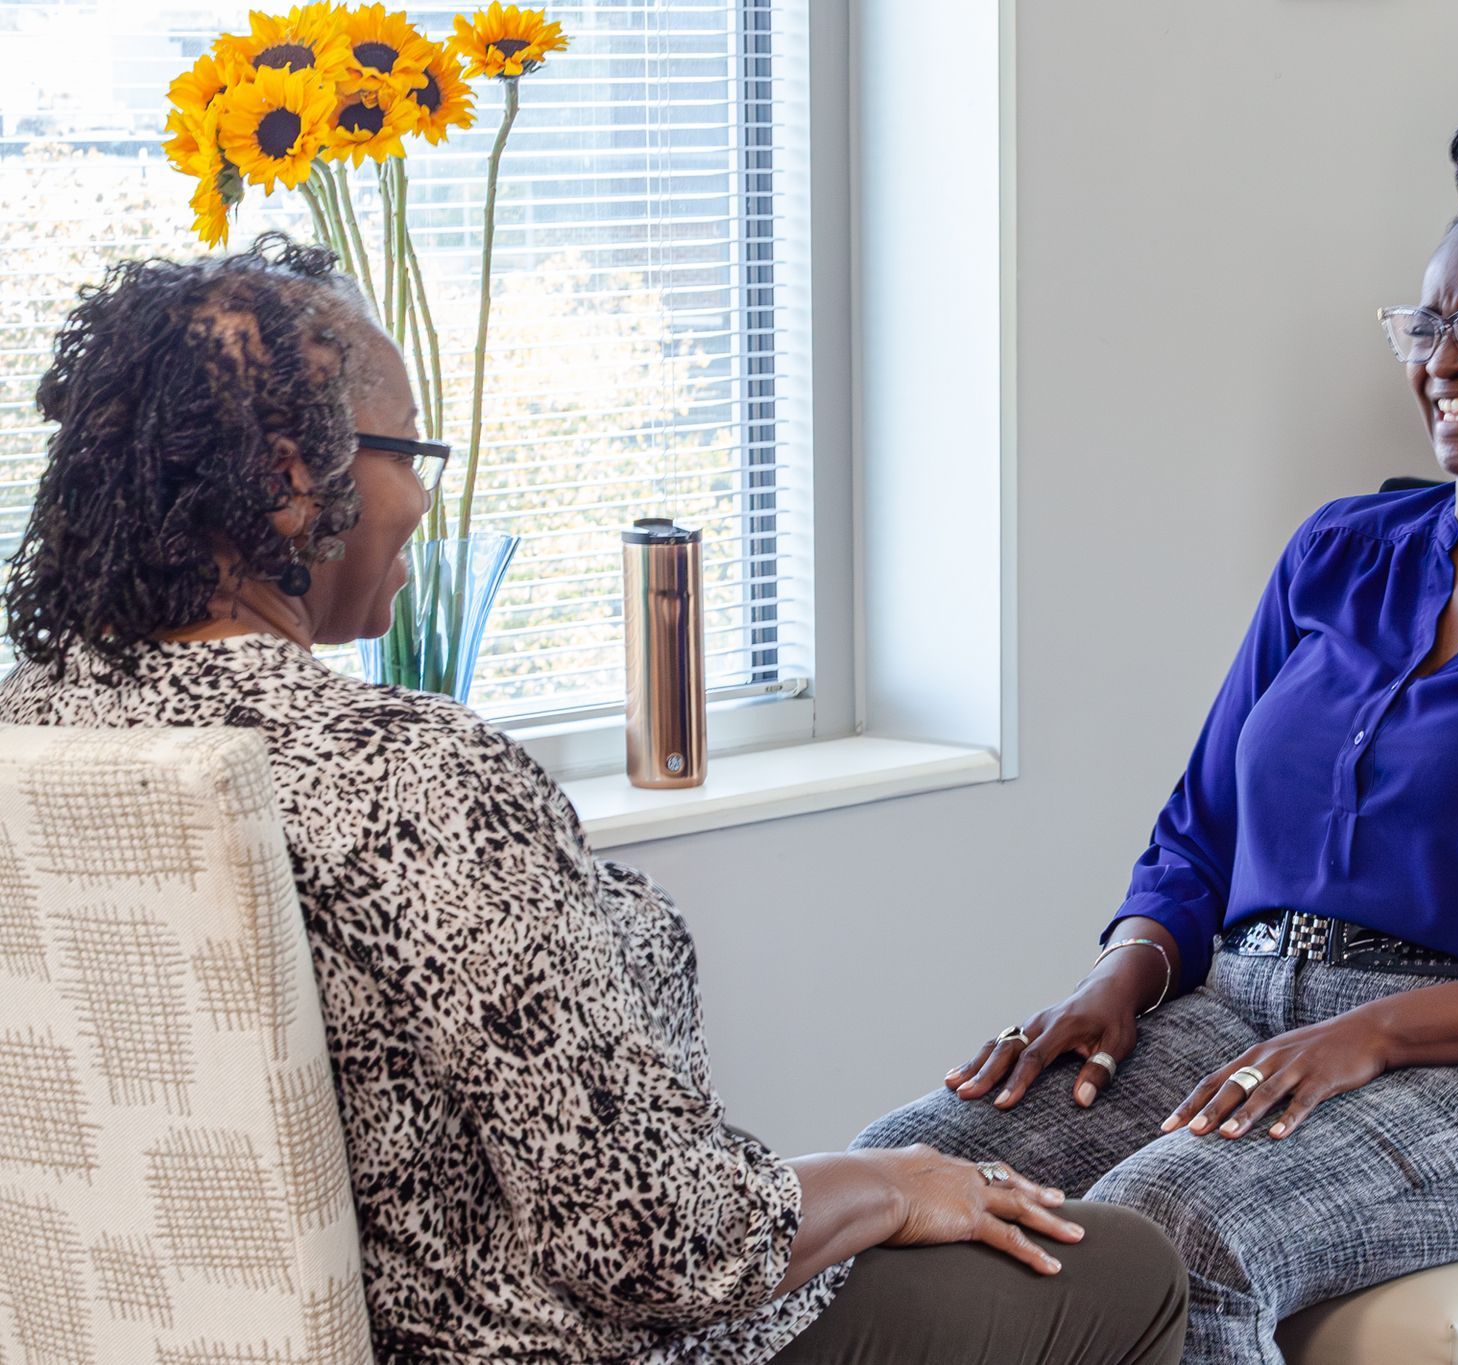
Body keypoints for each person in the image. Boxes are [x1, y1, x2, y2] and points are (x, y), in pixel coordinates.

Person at [0, 236, 1188, 1365]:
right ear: (292, 475)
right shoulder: (407, 773)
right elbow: (656, 1245)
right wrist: (887, 1183)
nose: (422, 500)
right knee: (1125, 1264)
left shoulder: (35, 727)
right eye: (409, 453)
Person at [851, 91, 1458, 1363]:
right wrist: (1119, 975)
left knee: (1174, 1230)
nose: (1443, 358)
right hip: (1245, 1007)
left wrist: (1374, 1033)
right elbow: (1198, 838)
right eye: (1427, 324)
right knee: (900, 1179)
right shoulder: (1340, 552)